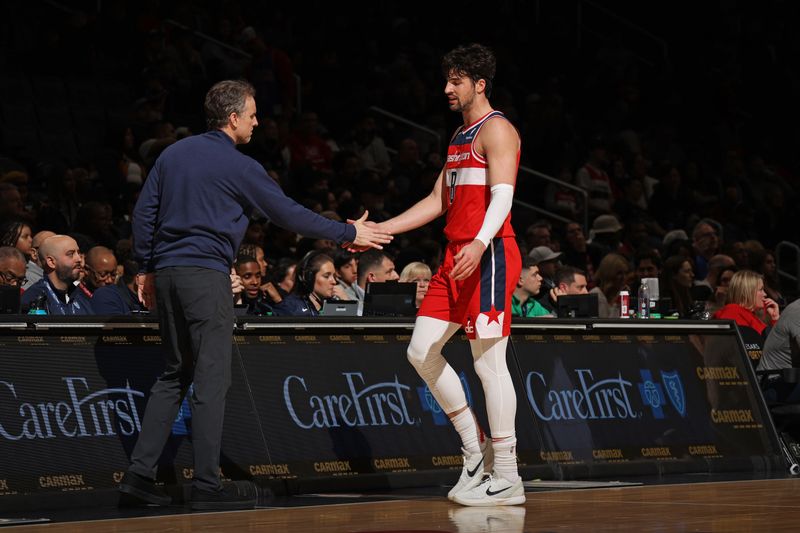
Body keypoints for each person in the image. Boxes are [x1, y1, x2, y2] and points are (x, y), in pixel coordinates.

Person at [120, 80, 391, 511]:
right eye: (252, 114)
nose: (257, 121)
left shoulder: (171, 154)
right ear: (233, 118)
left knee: (174, 373)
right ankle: (207, 486)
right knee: (211, 381)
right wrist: (347, 232)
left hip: (167, 274)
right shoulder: (239, 165)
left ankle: (138, 478)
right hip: (204, 276)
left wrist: (145, 268)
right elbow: (287, 213)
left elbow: (144, 212)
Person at [368, 44, 525, 506]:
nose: (446, 89)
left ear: (479, 83)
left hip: (490, 253)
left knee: (487, 362)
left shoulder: (497, 130)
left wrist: (479, 243)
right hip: (457, 256)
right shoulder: (459, 136)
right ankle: (474, 453)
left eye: (455, 81)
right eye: (447, 80)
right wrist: (381, 230)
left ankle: (509, 475)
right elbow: (437, 201)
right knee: (421, 351)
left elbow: (503, 197)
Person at [21, 235, 94, 315]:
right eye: (70, 254)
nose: (79, 259)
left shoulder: (81, 296)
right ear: (51, 262)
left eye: (78, 253)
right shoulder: (34, 298)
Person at [713, 270, 780, 342]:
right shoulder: (732, 312)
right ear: (746, 292)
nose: (765, 294)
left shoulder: (750, 314)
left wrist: (775, 317)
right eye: (761, 290)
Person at [273, 251, 337, 316]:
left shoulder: (335, 305)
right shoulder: (289, 308)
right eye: (326, 276)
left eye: (334, 276)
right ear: (309, 278)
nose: (334, 281)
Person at [589, 253, 630, 318]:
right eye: (619, 273)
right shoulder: (595, 295)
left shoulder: (623, 294)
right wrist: (617, 303)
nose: (624, 277)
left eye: (626, 273)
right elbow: (606, 325)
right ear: (609, 274)